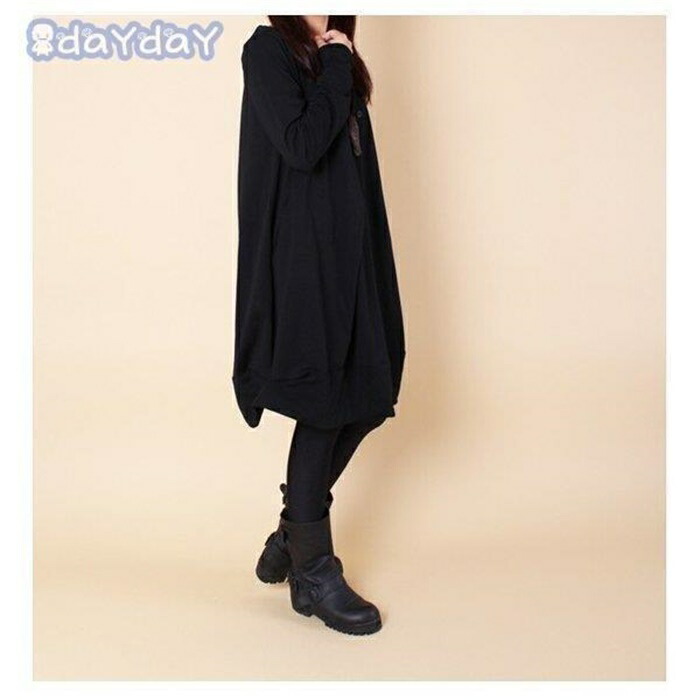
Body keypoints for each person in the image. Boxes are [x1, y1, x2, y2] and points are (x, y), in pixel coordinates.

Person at [232, 15, 406, 636]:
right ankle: (313, 571)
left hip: (352, 253)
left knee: (370, 391)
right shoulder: (268, 49)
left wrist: (339, 59)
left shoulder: (336, 53)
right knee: (326, 400)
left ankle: (293, 530)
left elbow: (353, 165)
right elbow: (302, 145)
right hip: (304, 259)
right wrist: (336, 62)